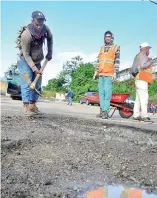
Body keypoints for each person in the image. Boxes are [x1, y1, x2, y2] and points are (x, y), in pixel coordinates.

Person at [17, 11, 53, 117]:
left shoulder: (45, 29)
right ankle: (26, 107)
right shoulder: (26, 35)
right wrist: (34, 68)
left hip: (38, 60)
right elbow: (26, 54)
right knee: (27, 83)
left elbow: (50, 39)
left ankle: (33, 106)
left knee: (37, 84)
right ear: (32, 20)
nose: (39, 26)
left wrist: (50, 52)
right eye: (37, 23)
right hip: (24, 61)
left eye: (41, 23)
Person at [93, 31, 120, 119]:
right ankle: (102, 110)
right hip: (101, 74)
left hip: (109, 74)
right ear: (104, 38)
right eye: (106, 36)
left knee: (107, 94)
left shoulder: (116, 47)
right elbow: (98, 61)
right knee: (101, 93)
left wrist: (115, 72)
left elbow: (117, 61)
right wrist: (96, 71)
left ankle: (105, 112)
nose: (107, 38)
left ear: (112, 37)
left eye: (109, 36)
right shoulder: (101, 48)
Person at [131, 42, 153, 122]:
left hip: (138, 79)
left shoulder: (137, 56)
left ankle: (136, 115)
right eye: (148, 49)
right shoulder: (143, 55)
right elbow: (143, 66)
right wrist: (150, 61)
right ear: (145, 48)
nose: (148, 51)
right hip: (142, 79)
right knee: (144, 98)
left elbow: (133, 69)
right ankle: (144, 116)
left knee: (138, 99)